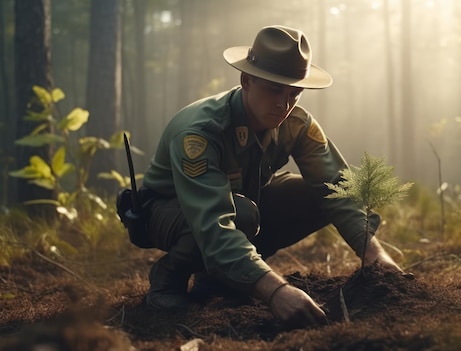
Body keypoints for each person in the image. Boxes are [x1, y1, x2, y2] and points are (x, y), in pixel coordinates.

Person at [137, 25, 403, 327]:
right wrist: (276, 291)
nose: (284, 104)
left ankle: (222, 277)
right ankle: (168, 277)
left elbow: (337, 187)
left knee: (317, 193)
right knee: (242, 215)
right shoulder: (201, 131)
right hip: (169, 213)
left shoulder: (297, 123)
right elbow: (213, 223)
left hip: (240, 206)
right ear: (246, 80)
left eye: (294, 93)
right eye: (274, 89)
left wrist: (375, 255)